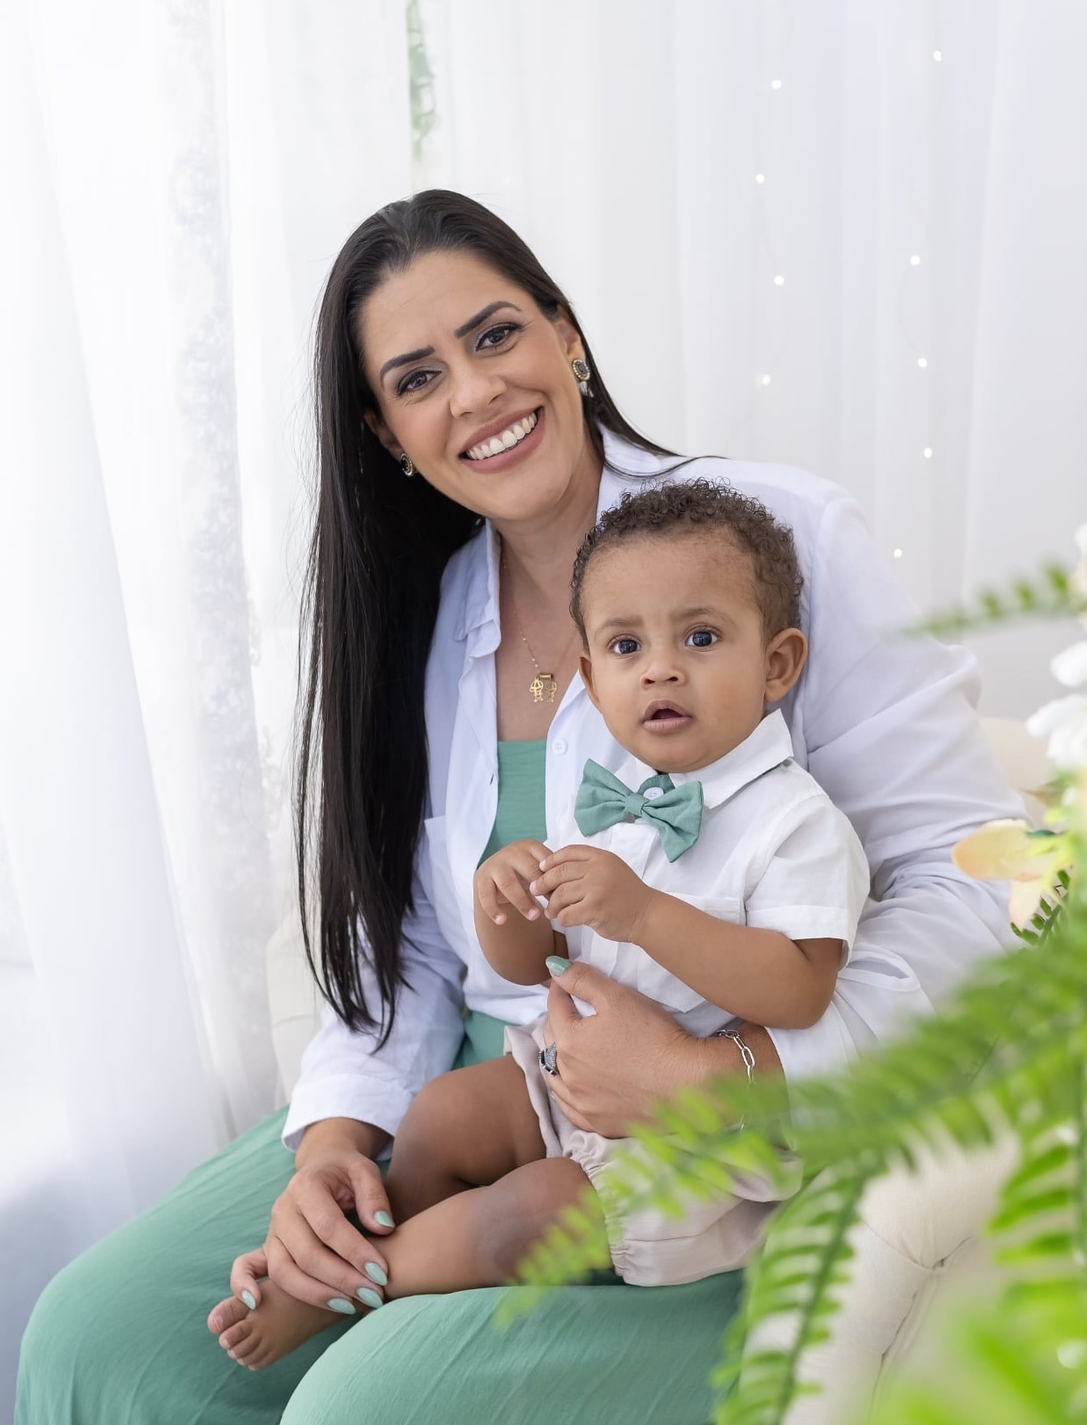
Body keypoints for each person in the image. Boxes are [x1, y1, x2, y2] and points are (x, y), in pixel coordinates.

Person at [15, 189, 1018, 1425]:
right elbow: (410, 972)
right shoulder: (418, 625)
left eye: (497, 335)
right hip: (478, 1096)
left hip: (708, 1147)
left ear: (567, 334)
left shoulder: (780, 538)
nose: (475, 392)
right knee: (102, 1349)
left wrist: (733, 1065)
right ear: (386, 434)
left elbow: (979, 878)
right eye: (418, 378)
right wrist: (329, 1155)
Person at [204, 479, 870, 1368]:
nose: (662, 668)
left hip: (694, 1137)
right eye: (627, 645)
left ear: (779, 664)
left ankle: (367, 1282)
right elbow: (534, 966)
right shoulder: (613, 807)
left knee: (529, 1213)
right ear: (592, 678)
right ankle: (366, 1243)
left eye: (701, 638)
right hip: (569, 1079)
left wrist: (643, 913)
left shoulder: (798, 824)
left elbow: (798, 986)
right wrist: (504, 902)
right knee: (440, 1117)